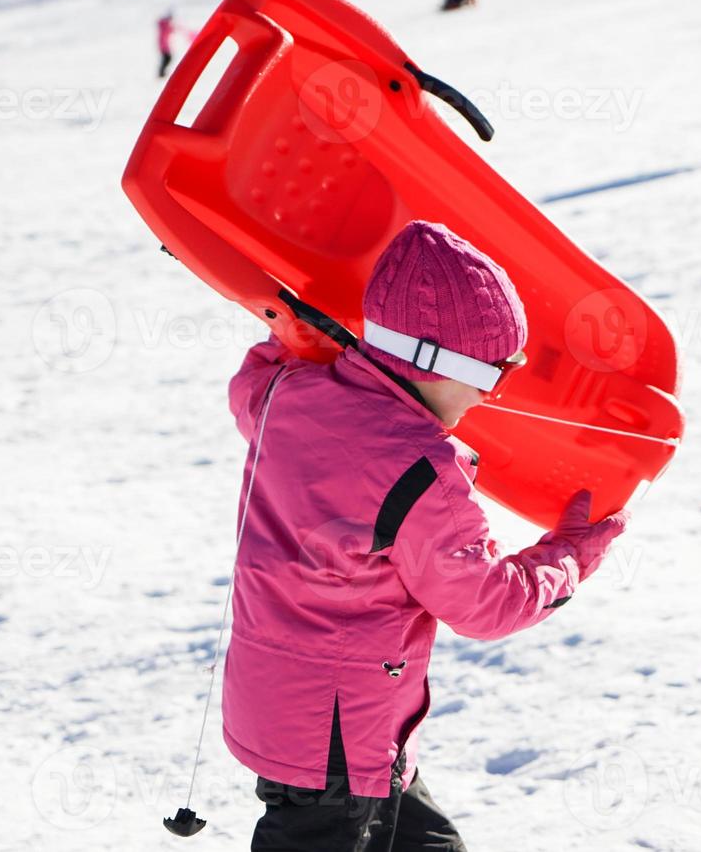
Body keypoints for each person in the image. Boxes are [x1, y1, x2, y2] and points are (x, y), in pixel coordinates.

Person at [222, 220, 629, 850]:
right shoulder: (421, 470)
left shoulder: (286, 395)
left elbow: (252, 381)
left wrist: (298, 335)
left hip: (302, 709)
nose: (492, 397)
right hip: (339, 738)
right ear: (440, 366)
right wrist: (570, 555)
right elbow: (484, 604)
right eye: (493, 375)